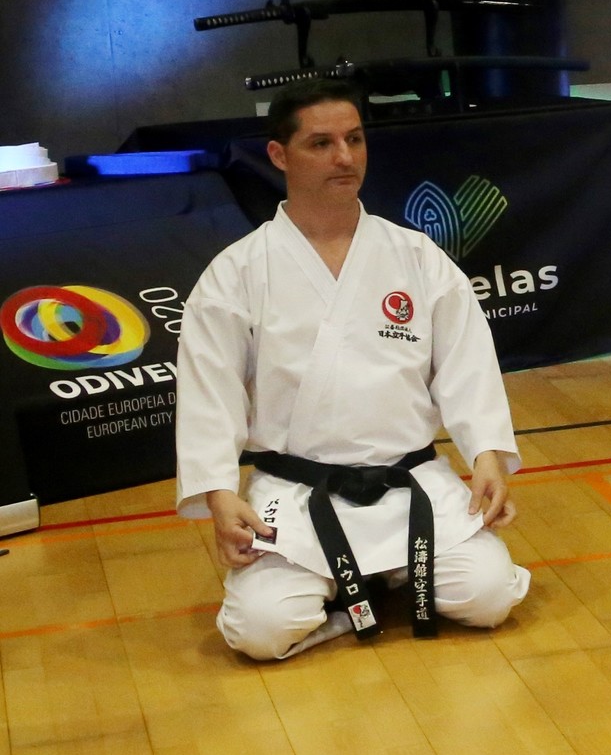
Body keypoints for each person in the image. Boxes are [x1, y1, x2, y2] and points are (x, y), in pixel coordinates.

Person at [175, 81, 529, 660]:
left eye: (355, 139)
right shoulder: (237, 272)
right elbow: (209, 393)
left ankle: (370, 579)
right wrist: (219, 494)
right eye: (321, 143)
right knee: (260, 630)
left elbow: (467, 365)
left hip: (409, 484)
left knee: (489, 596)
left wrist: (486, 454)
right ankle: (350, 595)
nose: (344, 157)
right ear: (279, 155)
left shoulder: (415, 255)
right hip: (297, 494)